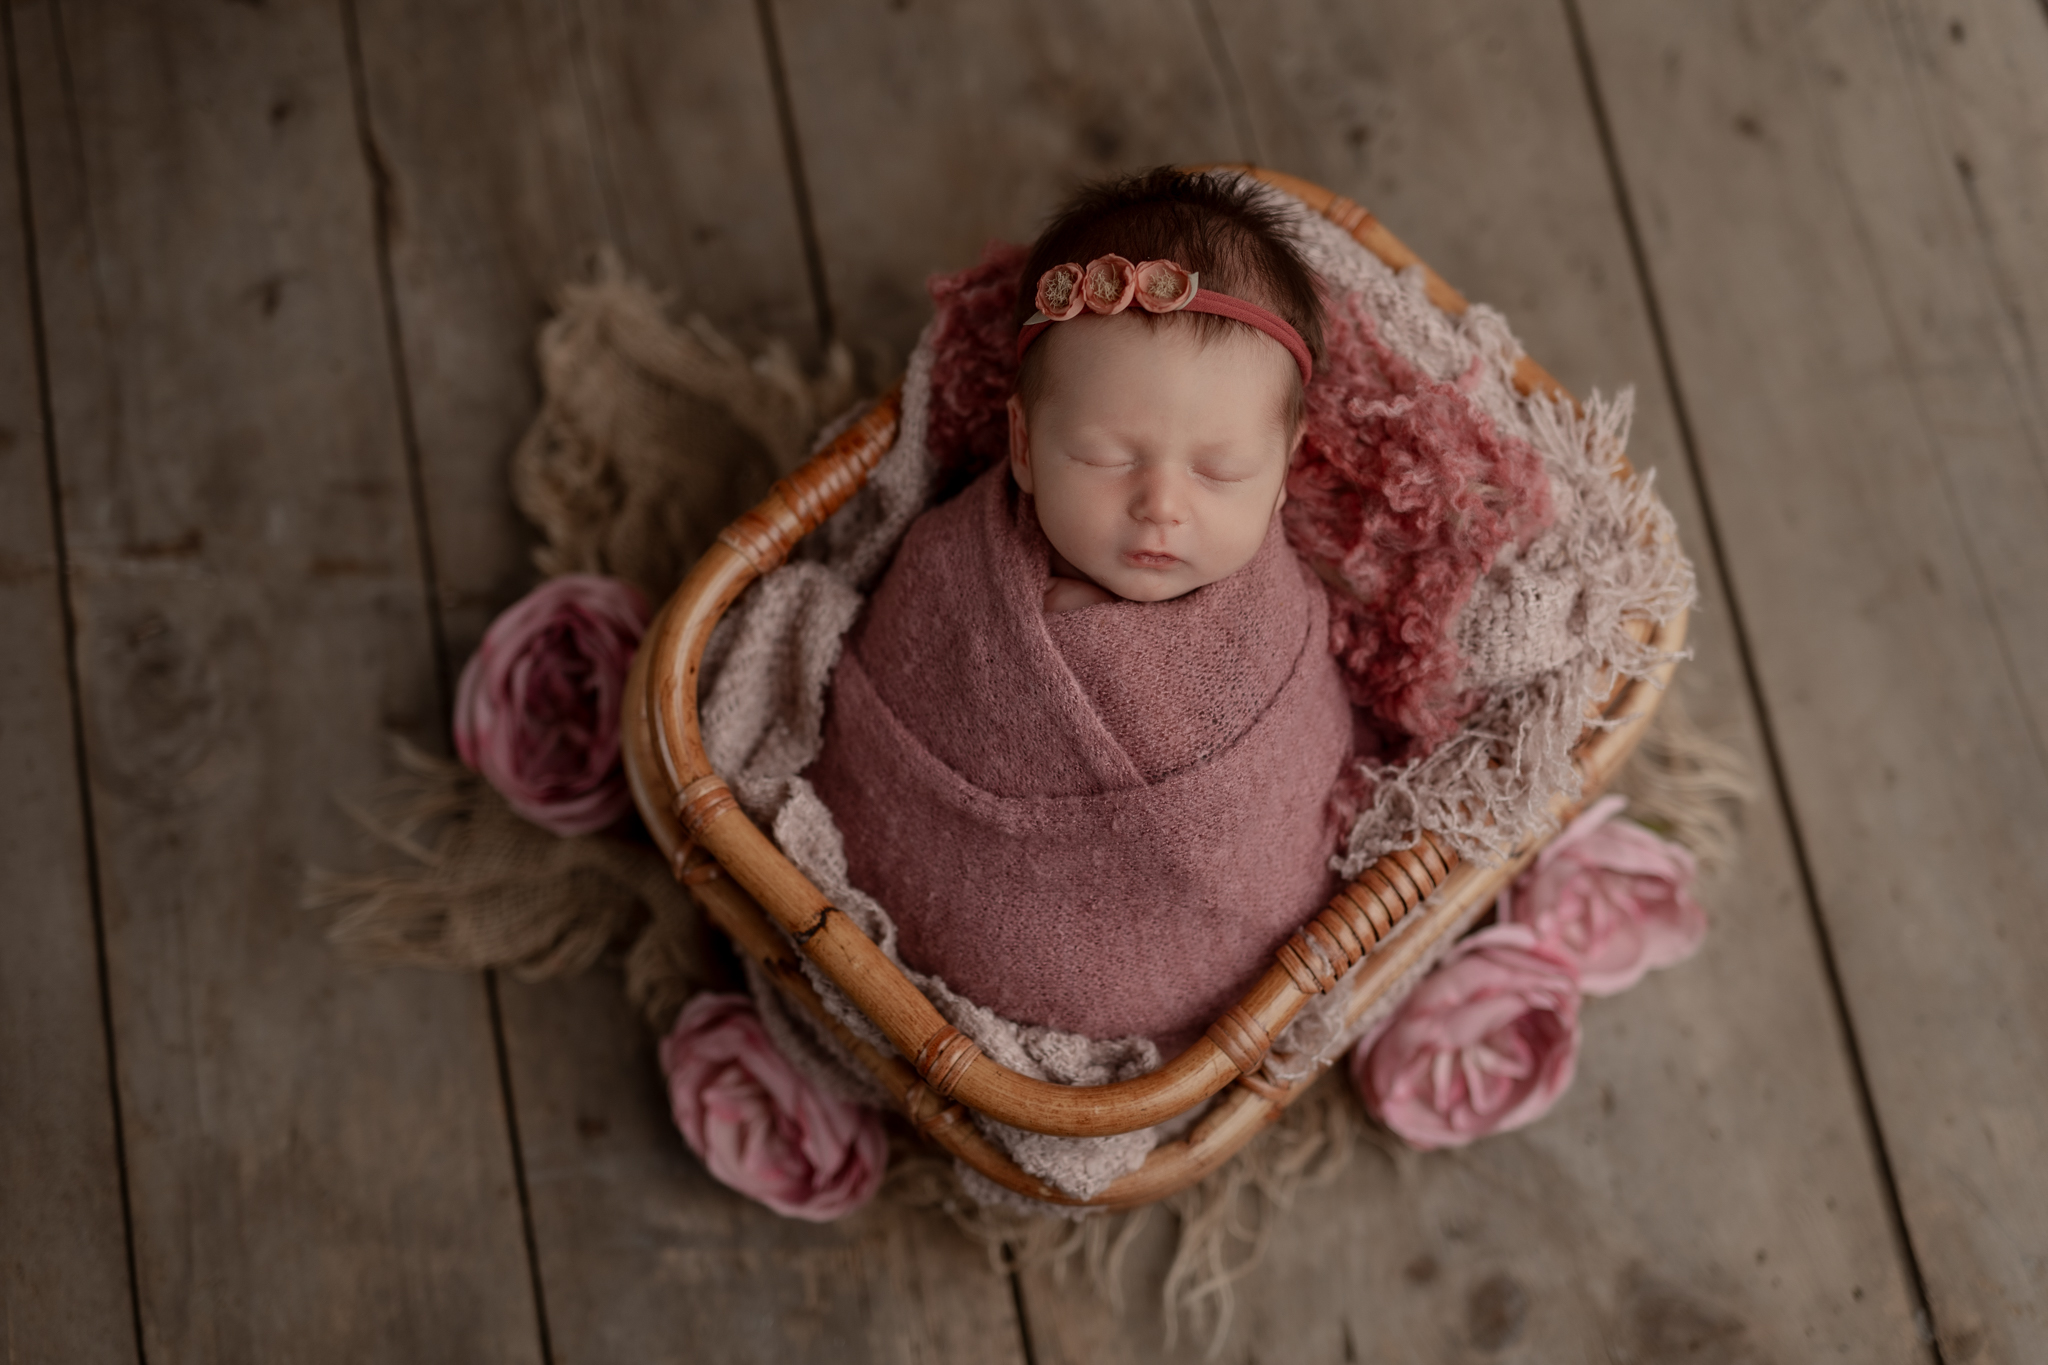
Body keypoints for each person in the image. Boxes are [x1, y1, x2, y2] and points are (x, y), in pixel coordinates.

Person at [805, 169, 1355, 1056]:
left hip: (1211, 951)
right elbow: (885, 705)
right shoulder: (954, 564)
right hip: (947, 910)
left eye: (1219, 471)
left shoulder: (1275, 615)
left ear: (1287, 466)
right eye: (1104, 457)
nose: (1162, 506)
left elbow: (1301, 775)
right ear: (1022, 445)